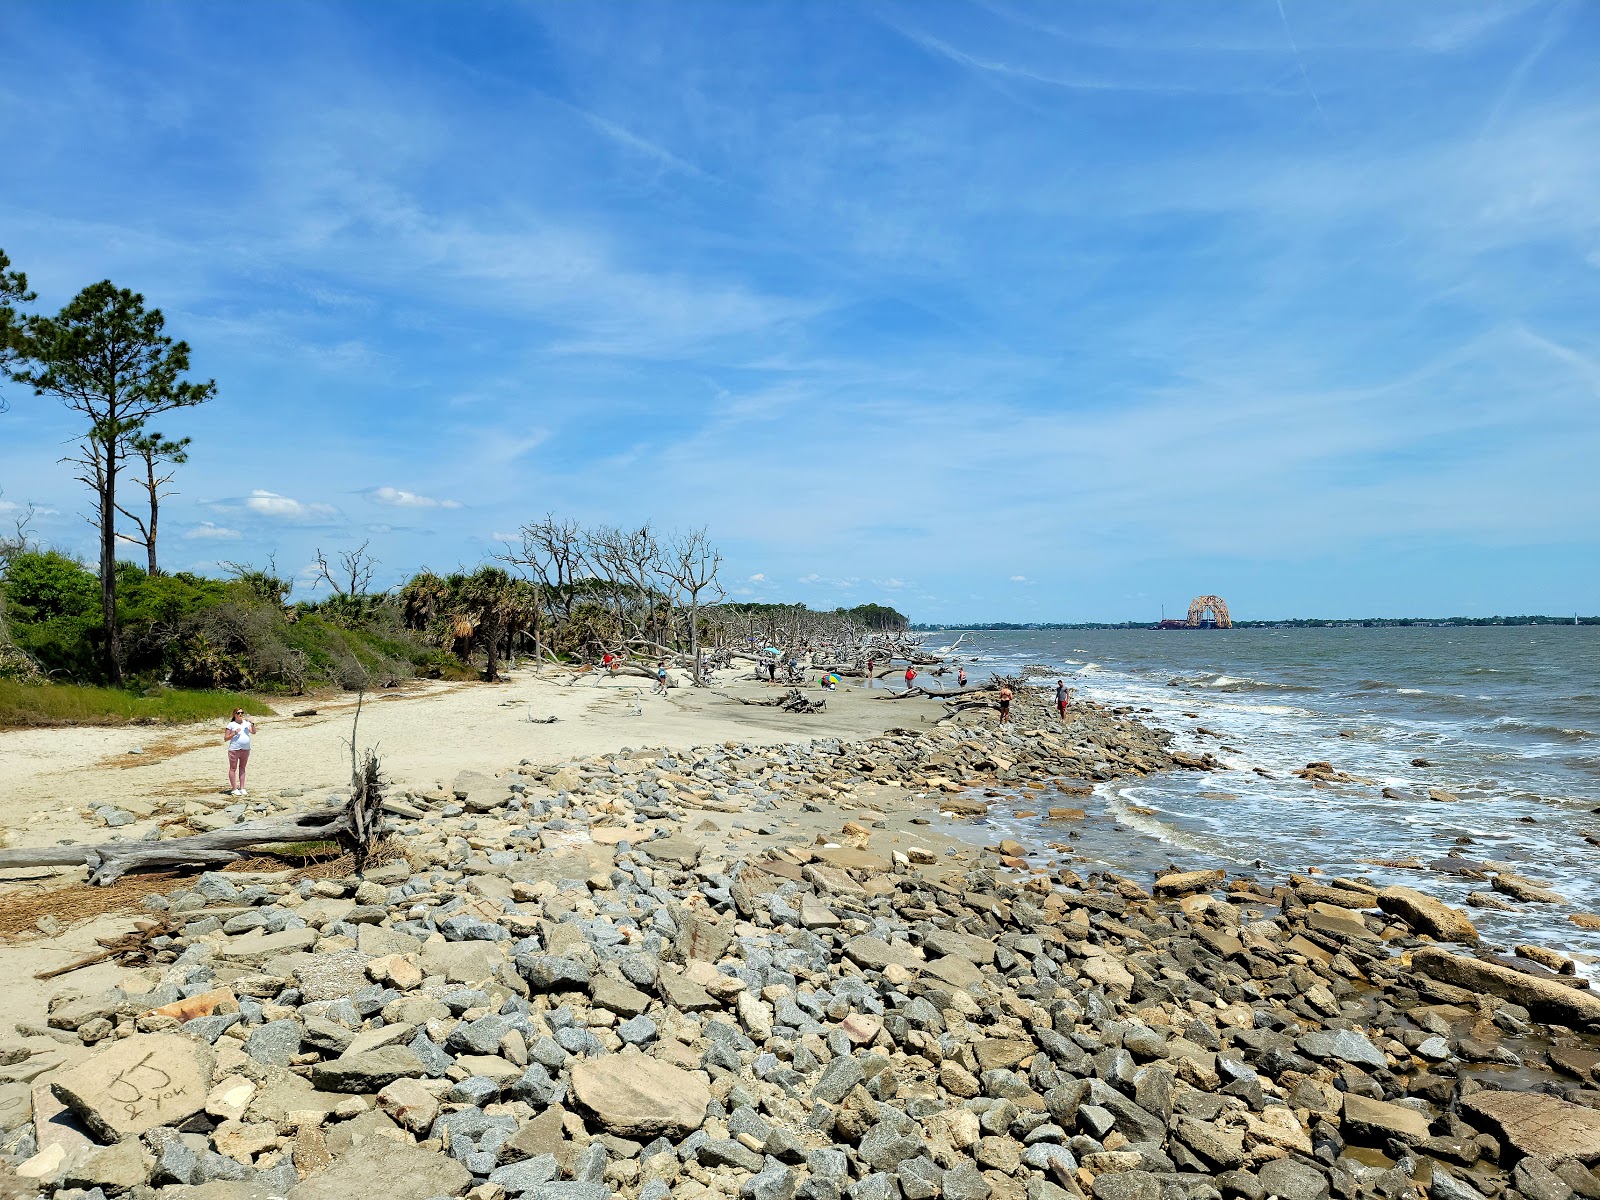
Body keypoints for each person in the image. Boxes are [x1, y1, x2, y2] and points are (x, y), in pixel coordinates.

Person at [224, 708, 256, 796]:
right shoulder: (231, 724)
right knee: (233, 768)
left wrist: (252, 723)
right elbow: (226, 738)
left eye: (242, 713)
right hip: (234, 749)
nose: (240, 714)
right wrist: (234, 733)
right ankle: (234, 788)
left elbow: (253, 732)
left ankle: (242, 788)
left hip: (245, 748)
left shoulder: (246, 723)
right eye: (238, 713)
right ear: (234, 714)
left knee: (242, 767)